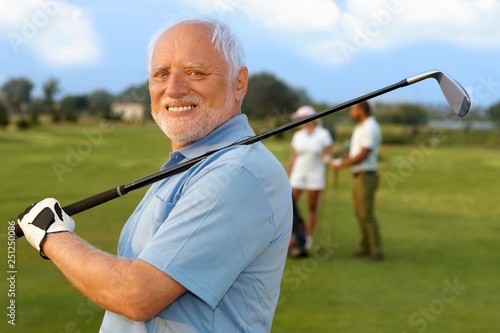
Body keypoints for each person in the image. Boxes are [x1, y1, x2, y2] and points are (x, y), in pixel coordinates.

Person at [17, 17, 293, 332]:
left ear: (239, 82)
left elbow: (136, 294)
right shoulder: (192, 163)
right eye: (161, 74)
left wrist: (50, 234)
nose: (173, 90)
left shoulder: (235, 172)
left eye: (195, 73)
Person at [331, 101, 383, 261]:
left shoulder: (370, 127)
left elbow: (364, 153)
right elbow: (355, 152)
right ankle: (365, 247)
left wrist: (342, 165)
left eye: (353, 109)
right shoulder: (361, 127)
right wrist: (343, 160)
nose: (351, 112)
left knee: (366, 214)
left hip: (366, 175)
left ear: (362, 110)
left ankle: (376, 251)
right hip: (358, 175)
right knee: (360, 213)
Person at [288, 105, 333, 251]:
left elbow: (327, 154)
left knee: (312, 207)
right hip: (298, 174)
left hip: (316, 173)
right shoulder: (298, 136)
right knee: (290, 205)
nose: (299, 121)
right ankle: (294, 235)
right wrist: (288, 176)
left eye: (301, 118)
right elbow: (294, 158)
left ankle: (307, 239)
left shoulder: (323, 134)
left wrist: (330, 160)